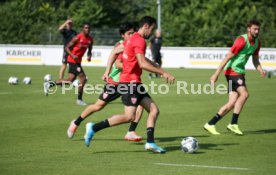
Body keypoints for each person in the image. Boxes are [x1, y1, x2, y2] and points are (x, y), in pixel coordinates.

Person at [84, 16, 175, 153]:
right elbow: (142, 63)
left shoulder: (130, 39)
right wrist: (163, 73)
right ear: (146, 26)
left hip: (134, 82)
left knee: (154, 110)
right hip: (129, 83)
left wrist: (159, 68)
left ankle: (150, 143)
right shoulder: (139, 41)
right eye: (152, 29)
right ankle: (94, 127)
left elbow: (117, 52)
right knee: (129, 117)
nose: (152, 32)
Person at [67, 22, 144, 141]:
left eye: (133, 33)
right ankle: (76, 123)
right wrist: (135, 65)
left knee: (140, 105)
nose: (132, 35)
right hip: (115, 83)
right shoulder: (121, 45)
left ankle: (131, 131)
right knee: (98, 106)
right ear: (122, 35)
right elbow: (118, 64)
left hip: (129, 83)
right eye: (129, 33)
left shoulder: (134, 44)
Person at [203, 19, 266, 135]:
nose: (257, 31)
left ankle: (210, 124)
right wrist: (215, 74)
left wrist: (260, 69)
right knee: (245, 94)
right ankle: (233, 124)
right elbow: (227, 57)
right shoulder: (241, 41)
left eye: (258, 29)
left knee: (232, 103)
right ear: (249, 29)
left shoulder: (257, 43)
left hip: (239, 72)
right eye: (254, 29)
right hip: (232, 72)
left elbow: (255, 59)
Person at [44, 23, 93, 106]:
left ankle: (50, 84)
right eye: (85, 28)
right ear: (83, 29)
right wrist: (73, 55)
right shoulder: (78, 37)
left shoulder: (90, 39)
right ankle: (79, 100)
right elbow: (67, 48)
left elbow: (89, 50)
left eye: (88, 28)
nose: (87, 29)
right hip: (72, 60)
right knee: (83, 78)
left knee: (70, 81)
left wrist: (89, 56)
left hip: (78, 61)